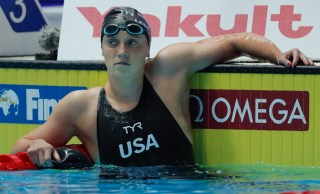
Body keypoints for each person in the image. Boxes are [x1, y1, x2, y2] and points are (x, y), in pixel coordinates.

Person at [11, 7, 314, 168]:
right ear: (102, 49)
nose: (122, 51)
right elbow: (19, 148)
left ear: (147, 50)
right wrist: (37, 146)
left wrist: (278, 54)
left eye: (132, 43)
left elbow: (235, 40)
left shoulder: (168, 70)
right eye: (112, 42)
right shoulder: (80, 107)